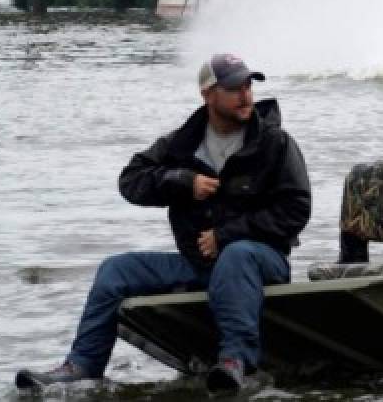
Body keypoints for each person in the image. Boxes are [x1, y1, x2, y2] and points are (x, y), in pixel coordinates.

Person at [16, 54, 311, 393]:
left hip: (260, 261)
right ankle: (82, 366)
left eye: (248, 86)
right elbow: (130, 182)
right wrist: (181, 182)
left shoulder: (275, 142)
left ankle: (236, 362)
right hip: (197, 265)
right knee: (115, 270)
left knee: (237, 254)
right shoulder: (180, 144)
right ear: (208, 95)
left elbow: (296, 208)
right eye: (234, 88)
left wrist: (227, 234)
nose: (245, 95)